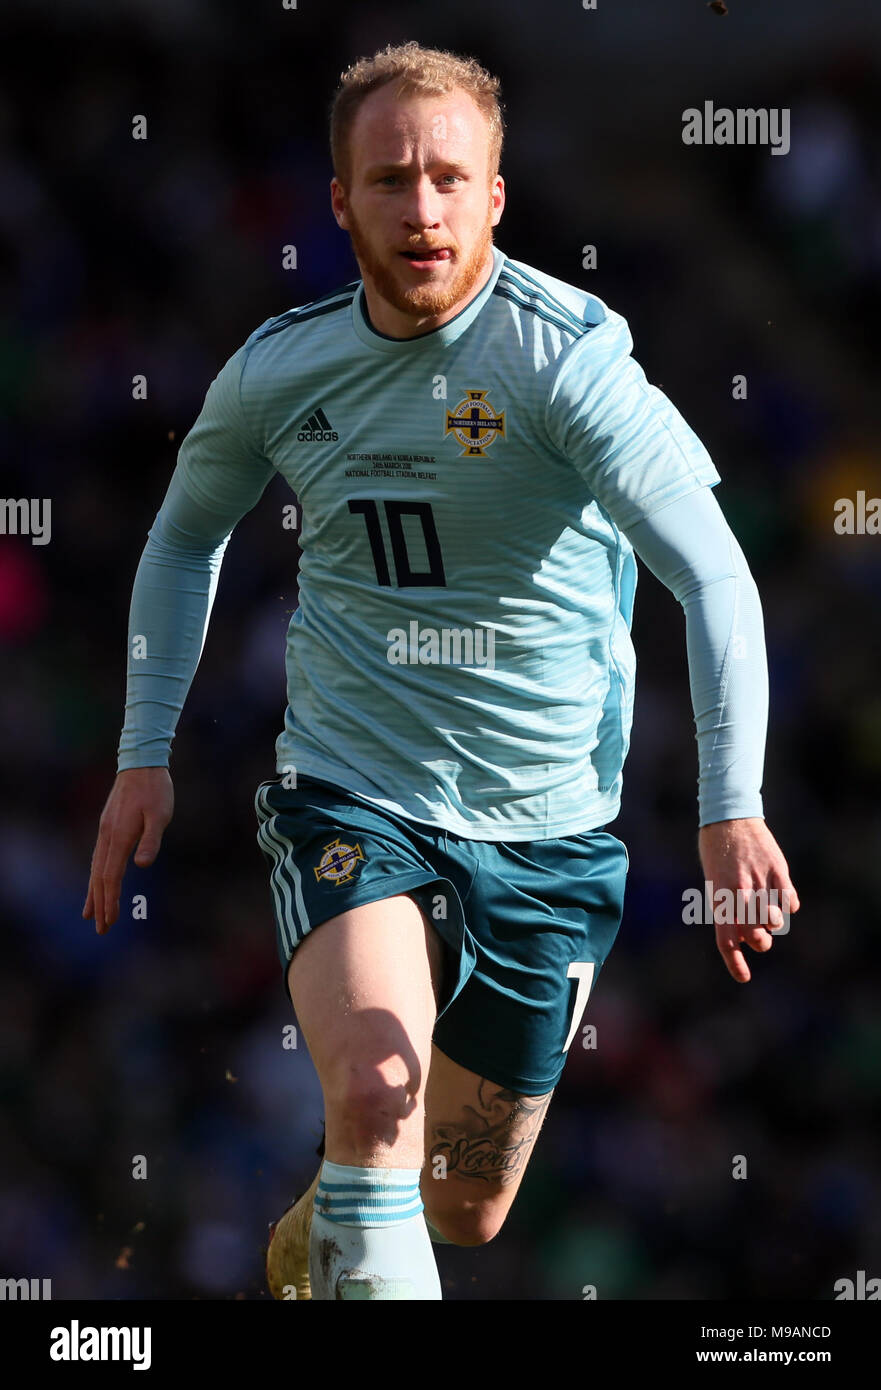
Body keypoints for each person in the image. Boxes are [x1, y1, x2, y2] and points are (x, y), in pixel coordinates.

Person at [83, 40, 799, 1301]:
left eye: (449, 180)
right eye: (391, 180)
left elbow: (714, 575)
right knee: (375, 1088)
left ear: (495, 198)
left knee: (463, 1206)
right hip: (354, 791)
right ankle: (359, 1178)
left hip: (549, 830)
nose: (421, 209)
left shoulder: (563, 363)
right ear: (339, 201)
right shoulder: (278, 372)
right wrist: (145, 751)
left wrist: (728, 805)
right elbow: (184, 532)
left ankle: (344, 1215)